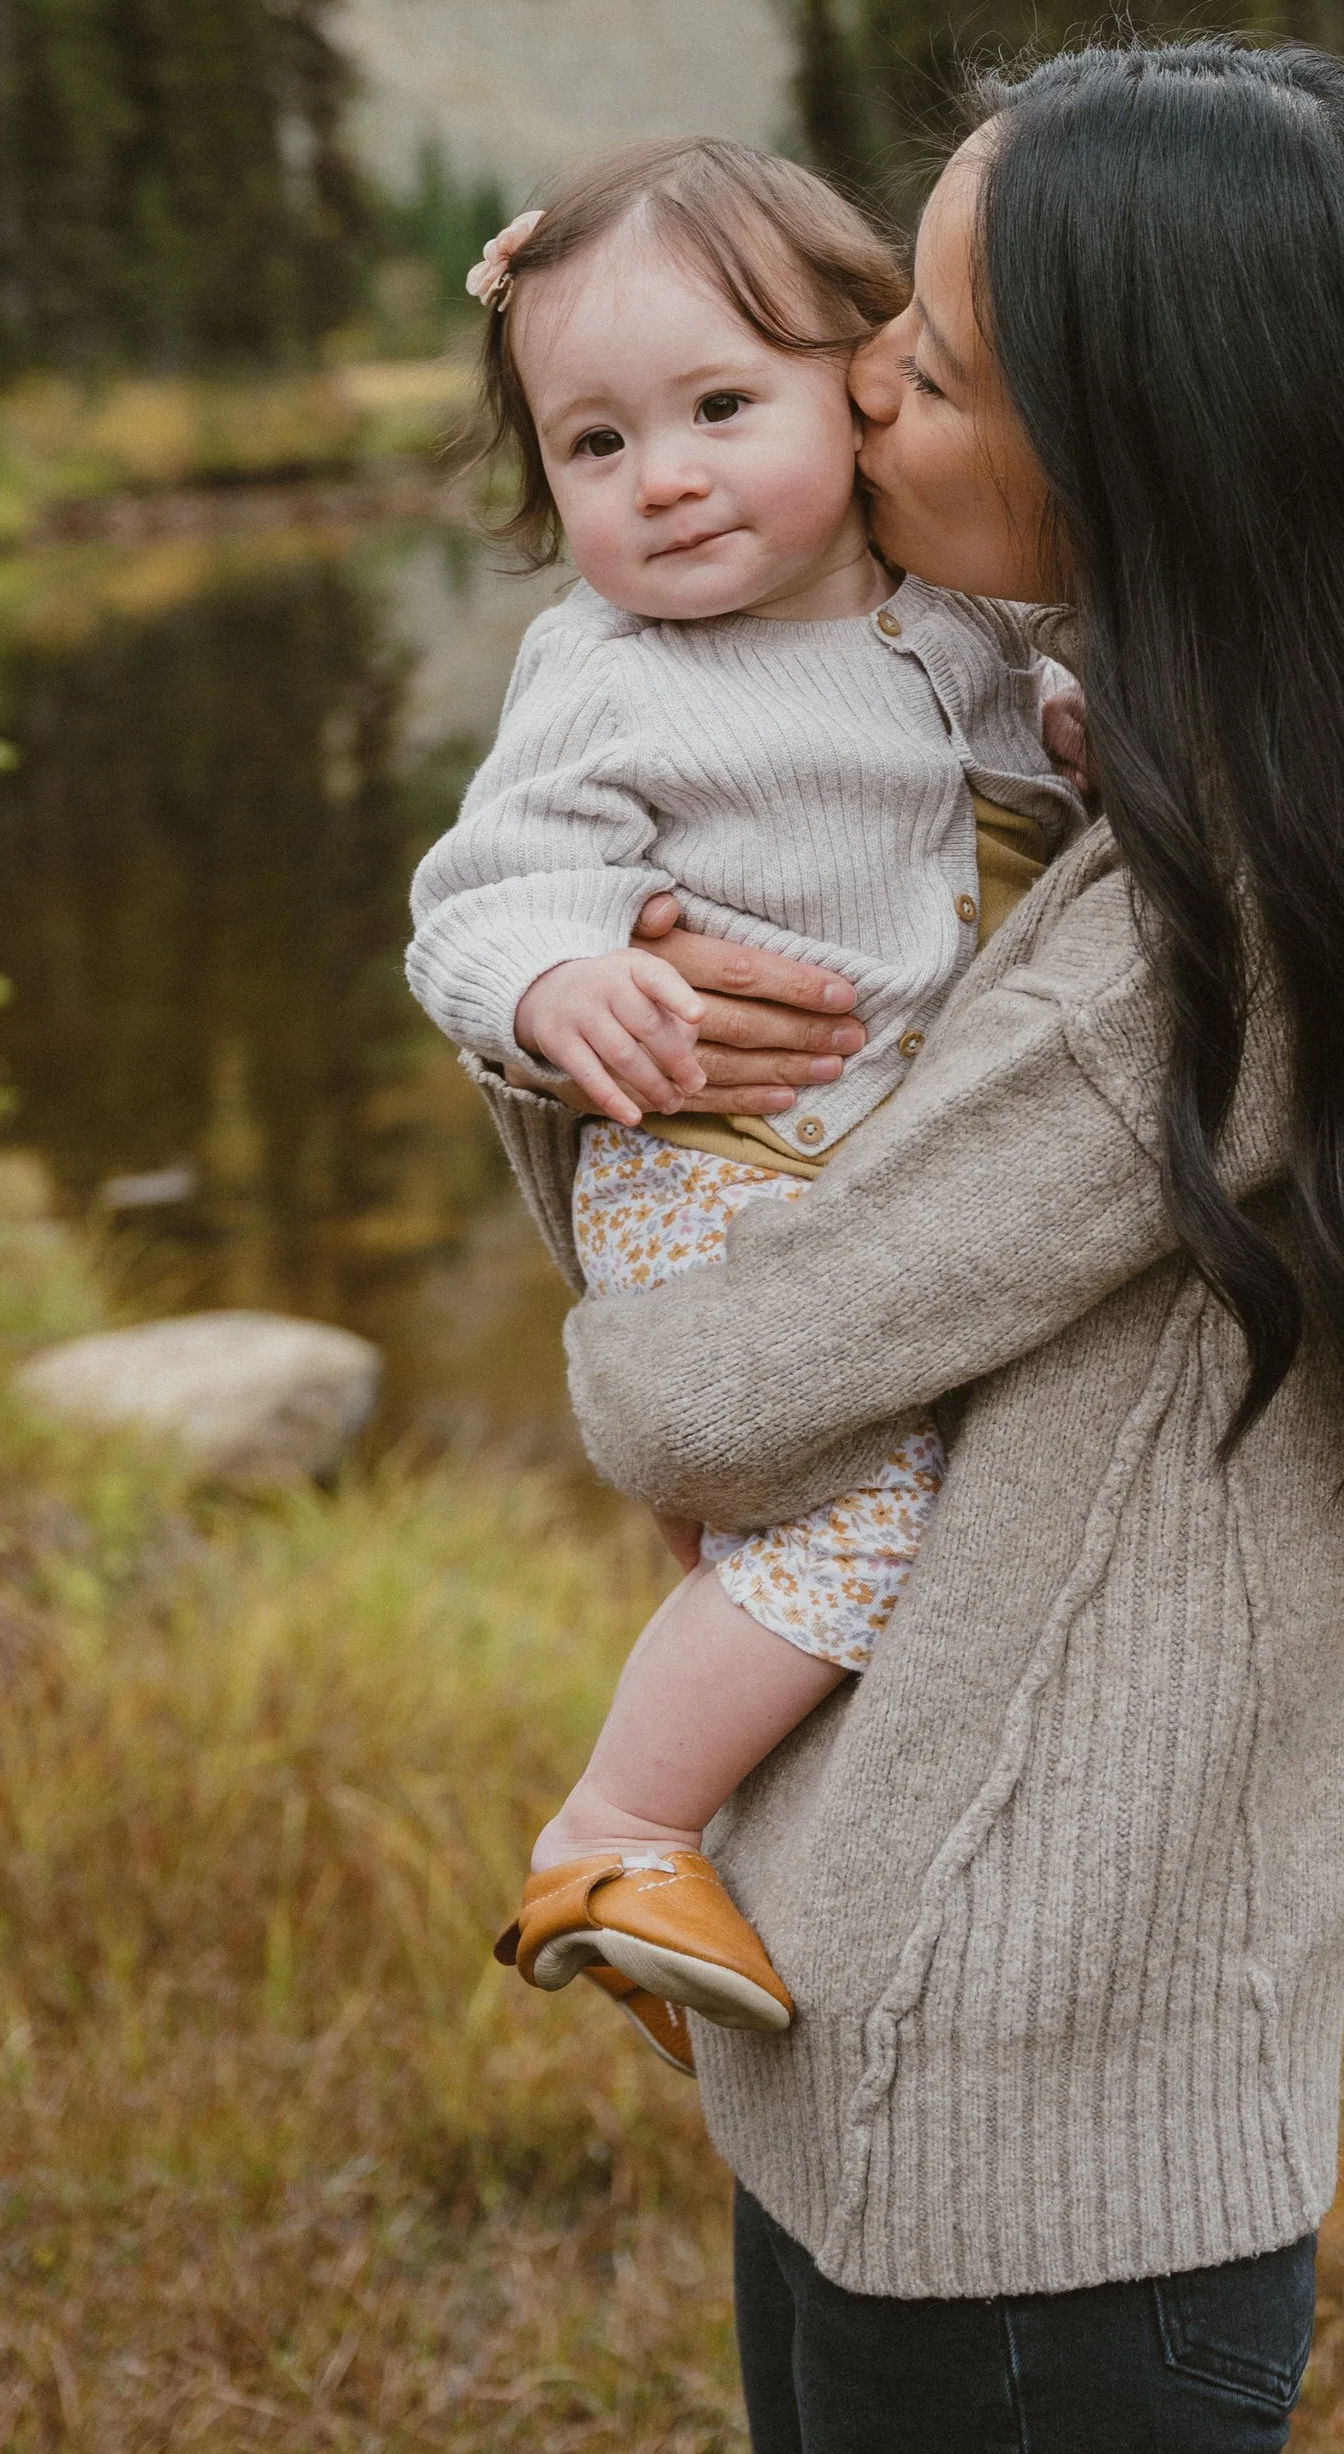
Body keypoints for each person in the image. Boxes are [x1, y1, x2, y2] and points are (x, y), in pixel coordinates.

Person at [475, 44, 1344, 2454]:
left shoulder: (1182, 953)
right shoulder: (1318, 819)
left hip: (1003, 2128)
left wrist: (595, 1078)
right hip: (1024, 2056)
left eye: (933, 366)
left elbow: (692, 1398)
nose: (859, 386)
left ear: (1146, 454)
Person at [406, 138, 1082, 2067]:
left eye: (719, 407)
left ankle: (738, 1848)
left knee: (835, 1513)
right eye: (594, 445)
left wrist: (1092, 740)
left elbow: (1026, 777)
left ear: (863, 384)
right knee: (866, 1510)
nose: (665, 475)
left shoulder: (959, 622)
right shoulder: (606, 672)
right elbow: (479, 893)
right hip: (712, 1163)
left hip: (862, 1160)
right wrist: (560, 979)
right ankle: (616, 1827)